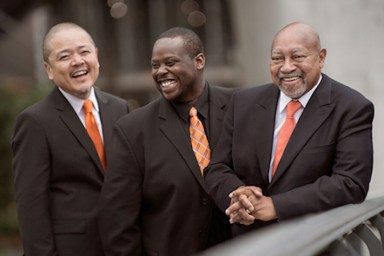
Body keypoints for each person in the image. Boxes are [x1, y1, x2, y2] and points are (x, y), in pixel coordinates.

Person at [204, 22, 374, 235]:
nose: (286, 67)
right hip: (249, 243)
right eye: (277, 58)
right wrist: (238, 194)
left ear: (321, 58)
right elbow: (217, 168)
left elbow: (350, 183)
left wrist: (276, 206)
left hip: (313, 243)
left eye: (297, 57)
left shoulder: (351, 107)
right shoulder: (243, 102)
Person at [98, 27, 234, 255]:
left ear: (199, 61)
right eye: (155, 65)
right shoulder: (132, 130)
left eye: (170, 62)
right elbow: (117, 220)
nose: (161, 71)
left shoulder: (240, 108)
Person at [12, 22, 130, 256]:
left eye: (84, 51)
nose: (77, 61)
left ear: (96, 56)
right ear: (49, 69)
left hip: (122, 246)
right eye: (64, 56)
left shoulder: (120, 108)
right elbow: (31, 206)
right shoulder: (34, 122)